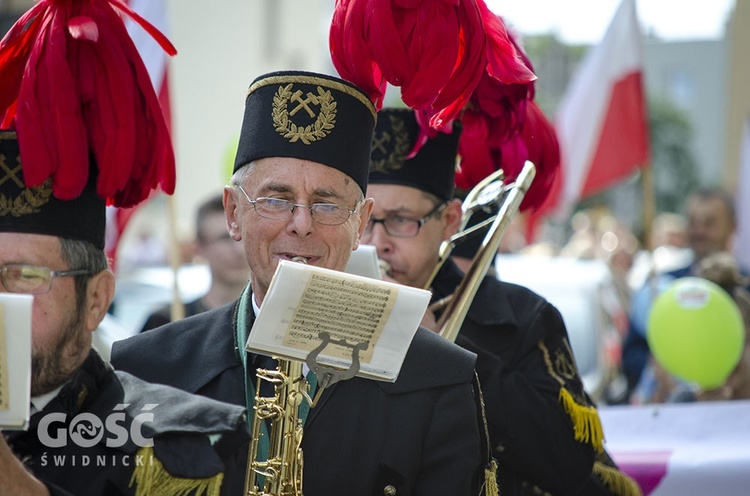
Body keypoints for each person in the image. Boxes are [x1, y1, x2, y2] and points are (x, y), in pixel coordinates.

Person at [112, 71, 484, 495]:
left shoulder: (437, 379)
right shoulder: (145, 370)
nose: (301, 225)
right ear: (233, 213)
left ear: (360, 223)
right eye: (276, 200)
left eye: (326, 204)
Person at [363, 107, 641, 496]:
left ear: (450, 220)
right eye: (366, 220)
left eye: (401, 220)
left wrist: (449, 350)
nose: (377, 242)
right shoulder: (325, 301)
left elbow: (567, 462)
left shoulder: (524, 316)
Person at [623, 187, 749, 397]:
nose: (699, 231)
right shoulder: (663, 285)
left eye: (709, 223)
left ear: (733, 226)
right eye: (692, 222)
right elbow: (631, 355)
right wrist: (653, 368)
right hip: (675, 417)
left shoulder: (746, 285)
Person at [140, 193, 249, 332]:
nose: (239, 250)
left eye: (243, 236)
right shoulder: (166, 322)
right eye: (225, 239)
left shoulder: (272, 322)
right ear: (199, 249)